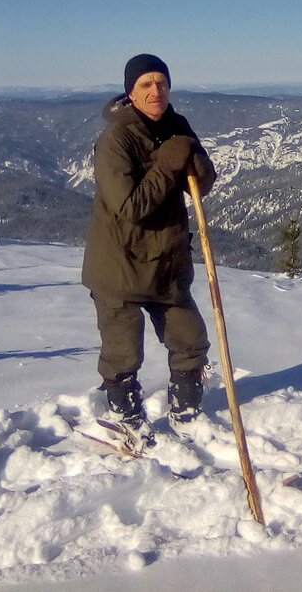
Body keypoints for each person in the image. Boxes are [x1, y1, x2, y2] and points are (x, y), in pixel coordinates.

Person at [81, 54, 215, 438]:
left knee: (190, 340)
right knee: (123, 353)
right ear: (131, 92)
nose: (156, 90)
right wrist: (167, 166)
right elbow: (130, 207)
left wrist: (200, 169)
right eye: (145, 84)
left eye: (161, 82)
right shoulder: (116, 140)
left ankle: (186, 413)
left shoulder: (176, 125)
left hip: (166, 261)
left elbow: (198, 185)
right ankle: (126, 419)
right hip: (119, 265)